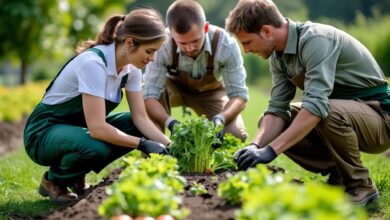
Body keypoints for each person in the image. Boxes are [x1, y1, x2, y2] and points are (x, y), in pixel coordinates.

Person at [226, 0, 390, 206]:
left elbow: (316, 106)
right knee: (275, 121)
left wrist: (271, 150)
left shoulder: (316, 40)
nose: (246, 50)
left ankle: (360, 185)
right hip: (348, 116)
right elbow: (277, 109)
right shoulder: (278, 57)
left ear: (266, 31)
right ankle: (339, 175)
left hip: (380, 118)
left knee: (325, 111)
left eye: (247, 42)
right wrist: (255, 145)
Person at [23, 8, 170, 205]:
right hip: (42, 132)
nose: (152, 58)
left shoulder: (132, 70)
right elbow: (97, 128)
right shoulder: (93, 64)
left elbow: (141, 118)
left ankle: (75, 174)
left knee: (134, 124)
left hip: (77, 131)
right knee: (95, 147)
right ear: (129, 43)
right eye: (149, 51)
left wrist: (170, 146)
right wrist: (142, 144)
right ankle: (53, 181)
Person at [143, 0, 249, 146]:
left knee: (236, 135)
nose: (189, 48)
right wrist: (171, 123)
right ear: (171, 33)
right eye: (182, 43)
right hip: (175, 90)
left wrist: (222, 118)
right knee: (153, 91)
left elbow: (239, 96)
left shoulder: (226, 45)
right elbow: (149, 95)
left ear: (205, 27)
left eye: (195, 40)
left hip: (211, 93)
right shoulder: (162, 44)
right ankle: (154, 151)